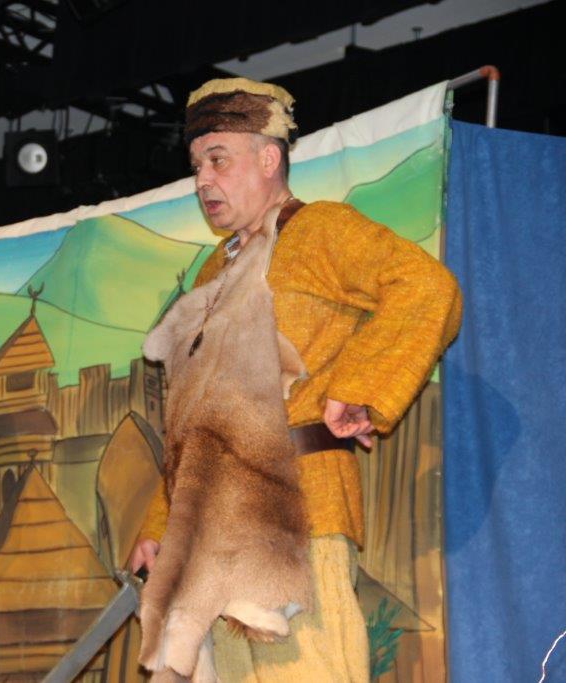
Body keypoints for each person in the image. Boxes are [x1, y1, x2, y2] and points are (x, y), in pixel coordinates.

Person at [128, 78, 462, 681]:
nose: (202, 180)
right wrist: (161, 526)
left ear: (268, 158)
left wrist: (358, 387)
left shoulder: (321, 230)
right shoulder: (211, 272)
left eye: (218, 160)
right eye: (197, 165)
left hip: (300, 515)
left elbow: (426, 286)